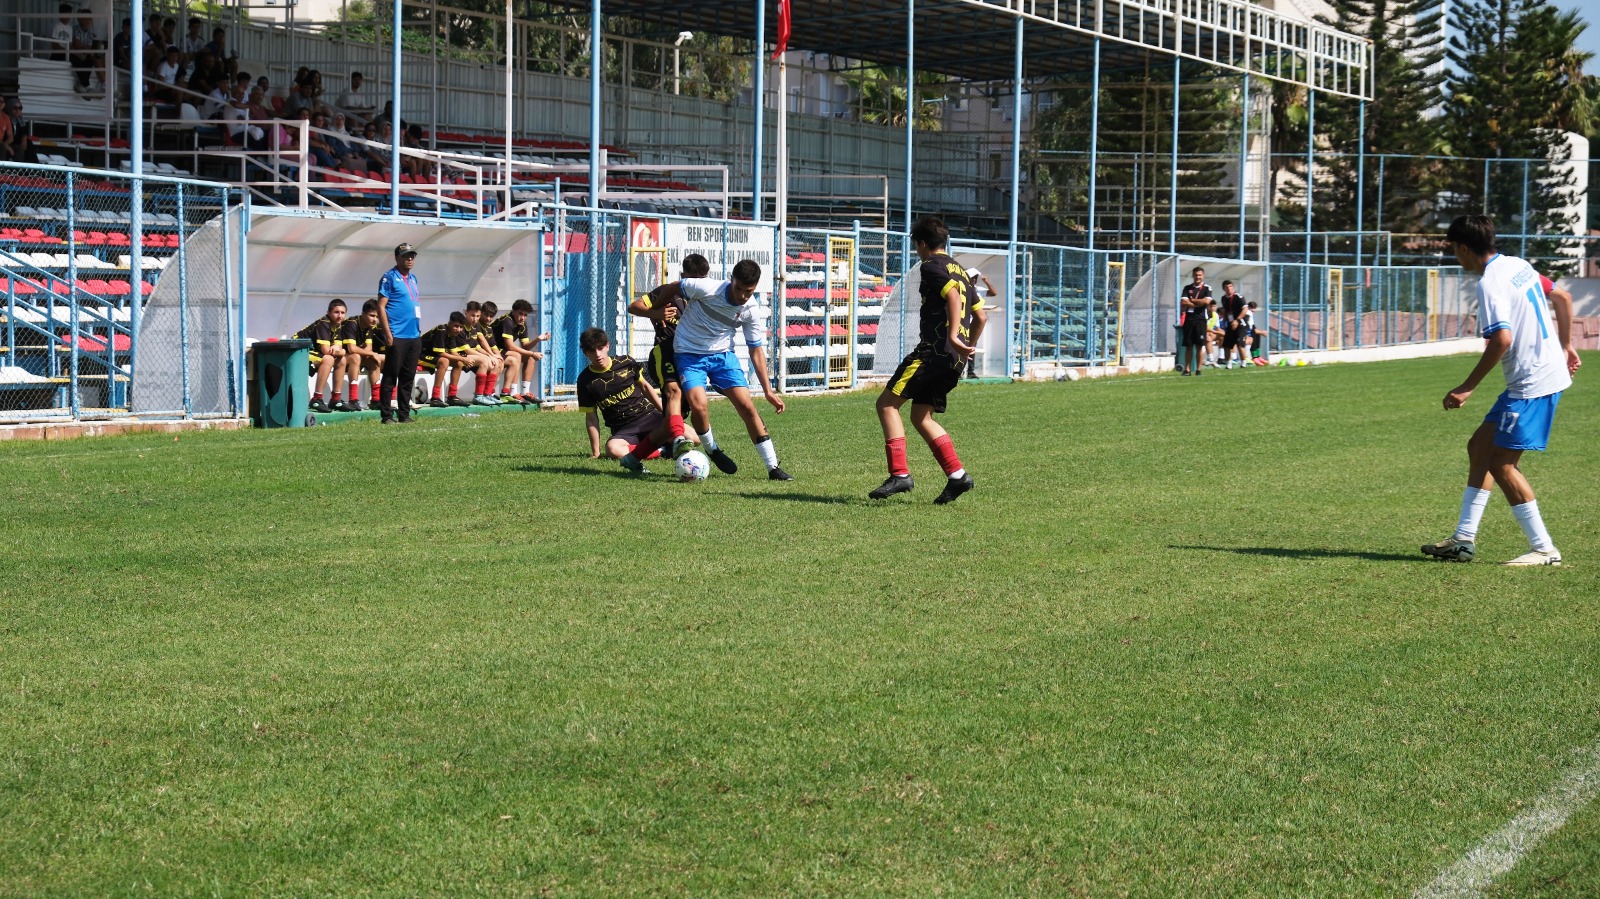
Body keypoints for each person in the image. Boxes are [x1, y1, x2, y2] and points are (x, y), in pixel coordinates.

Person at [1422, 214, 1577, 567]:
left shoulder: (1490, 282)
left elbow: (1502, 339)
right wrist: (1566, 345)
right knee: (1480, 446)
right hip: (1537, 376)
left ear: (1464, 248)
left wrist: (1467, 387)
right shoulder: (1517, 265)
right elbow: (1563, 297)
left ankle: (1544, 549)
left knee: (1502, 463)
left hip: (1532, 384)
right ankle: (1463, 539)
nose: (1455, 256)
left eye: (1454, 249)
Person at [869, 215, 986, 503]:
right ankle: (957, 476)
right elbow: (981, 316)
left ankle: (900, 475)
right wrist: (966, 346)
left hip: (934, 351)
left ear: (921, 244)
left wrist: (953, 338)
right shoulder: (961, 270)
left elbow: (953, 299)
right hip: (953, 361)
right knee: (921, 416)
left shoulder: (931, 264)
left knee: (886, 404)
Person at [670, 259, 792, 480]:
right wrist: (655, 309)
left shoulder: (751, 309)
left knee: (747, 407)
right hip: (689, 353)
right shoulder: (707, 288)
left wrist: (768, 391)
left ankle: (773, 468)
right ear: (731, 279)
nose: (743, 295)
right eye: (739, 288)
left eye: (749, 291)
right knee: (699, 406)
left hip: (723, 356)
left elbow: (756, 350)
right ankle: (712, 449)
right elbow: (672, 287)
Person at [628, 252, 711, 459]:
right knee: (674, 391)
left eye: (701, 280)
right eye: (692, 279)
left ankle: (640, 454)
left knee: (676, 419)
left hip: (690, 357)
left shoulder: (708, 298)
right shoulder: (669, 293)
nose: (697, 284)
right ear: (683, 277)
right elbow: (633, 306)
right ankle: (677, 440)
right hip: (665, 351)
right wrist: (655, 313)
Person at [576, 327, 687, 471]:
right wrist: (596, 453)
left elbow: (645, 387)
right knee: (613, 449)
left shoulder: (626, 362)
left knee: (692, 438)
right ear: (585, 353)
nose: (597, 354)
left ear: (607, 346)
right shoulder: (585, 381)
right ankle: (663, 451)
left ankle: (655, 445)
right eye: (592, 350)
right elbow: (591, 418)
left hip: (649, 416)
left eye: (600, 348)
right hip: (624, 429)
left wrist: (665, 414)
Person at [377, 243, 423, 423]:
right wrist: (388, 333)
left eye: (412, 256)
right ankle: (386, 415)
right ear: (397, 258)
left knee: (408, 377)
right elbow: (381, 307)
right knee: (390, 376)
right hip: (397, 334)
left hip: (414, 335)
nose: (410, 259)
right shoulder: (389, 277)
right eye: (405, 256)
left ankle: (404, 414)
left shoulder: (414, 278)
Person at [294, 298, 350, 413]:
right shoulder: (324, 323)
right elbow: (326, 351)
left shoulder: (338, 325)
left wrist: (340, 351)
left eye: (342, 313)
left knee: (342, 360)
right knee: (328, 359)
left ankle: (335, 399)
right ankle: (316, 399)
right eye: (336, 312)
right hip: (297, 351)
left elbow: (338, 348)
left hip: (311, 352)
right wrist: (342, 351)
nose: (340, 316)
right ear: (328, 313)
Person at [491, 299, 550, 405]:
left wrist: (538, 339)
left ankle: (525, 392)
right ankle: (512, 392)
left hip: (504, 351)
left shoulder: (522, 324)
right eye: (520, 314)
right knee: (518, 355)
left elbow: (525, 346)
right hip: (492, 350)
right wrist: (532, 353)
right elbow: (509, 346)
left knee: (530, 358)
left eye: (525, 315)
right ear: (513, 311)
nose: (523, 317)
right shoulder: (507, 320)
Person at [418, 312, 484, 407]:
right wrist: (463, 359)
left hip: (432, 356)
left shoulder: (452, 334)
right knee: (444, 361)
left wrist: (463, 360)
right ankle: (435, 398)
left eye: (461, 327)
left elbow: (453, 352)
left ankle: (452, 396)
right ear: (449, 323)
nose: (459, 329)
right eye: (456, 326)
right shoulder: (441, 329)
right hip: (419, 355)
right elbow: (441, 353)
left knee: (458, 363)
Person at [341, 298, 388, 411]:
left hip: (355, 357)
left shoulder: (369, 326)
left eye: (377, 317)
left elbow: (369, 348)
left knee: (376, 360)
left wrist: (371, 354)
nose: (375, 319)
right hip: (340, 357)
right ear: (363, 314)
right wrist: (371, 354)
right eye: (372, 316)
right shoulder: (352, 323)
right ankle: (353, 400)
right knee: (356, 357)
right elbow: (351, 348)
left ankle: (376, 400)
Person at [461, 300, 504, 405]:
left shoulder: (474, 326)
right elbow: (467, 349)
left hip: (470, 354)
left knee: (496, 362)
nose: (475, 319)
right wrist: (488, 356)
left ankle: (488, 394)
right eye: (472, 315)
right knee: (484, 361)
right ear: (465, 312)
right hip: (459, 355)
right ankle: (478, 396)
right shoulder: (461, 326)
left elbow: (477, 346)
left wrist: (492, 356)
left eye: (477, 316)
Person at [1178, 266, 1211, 376]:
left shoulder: (1207, 288)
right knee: (1189, 346)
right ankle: (1187, 370)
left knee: (1199, 346)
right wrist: (1197, 304)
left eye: (1200, 275)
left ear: (1203, 276)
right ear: (1193, 275)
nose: (1198, 277)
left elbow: (1206, 302)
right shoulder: (1187, 288)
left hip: (1200, 320)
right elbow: (1184, 302)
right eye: (1196, 275)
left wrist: (1192, 300)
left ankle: (1198, 369)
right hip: (1189, 320)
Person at [1217, 280, 1248, 368]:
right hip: (1230, 324)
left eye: (1230, 286)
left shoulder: (1238, 297)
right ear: (1224, 289)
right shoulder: (1223, 298)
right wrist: (1224, 320)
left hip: (1240, 323)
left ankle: (1243, 363)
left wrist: (1237, 320)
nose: (1229, 288)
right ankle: (1228, 364)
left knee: (1240, 344)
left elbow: (1245, 309)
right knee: (1227, 345)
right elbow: (1226, 310)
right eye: (1226, 287)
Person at [0, 98, 38, 165]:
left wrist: (24, 138)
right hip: (5, 141)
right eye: (15, 108)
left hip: (14, 141)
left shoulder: (20, 120)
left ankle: (34, 166)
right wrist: (6, 145)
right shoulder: (5, 118)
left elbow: (24, 131)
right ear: (9, 108)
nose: (18, 111)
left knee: (28, 143)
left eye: (20, 108)